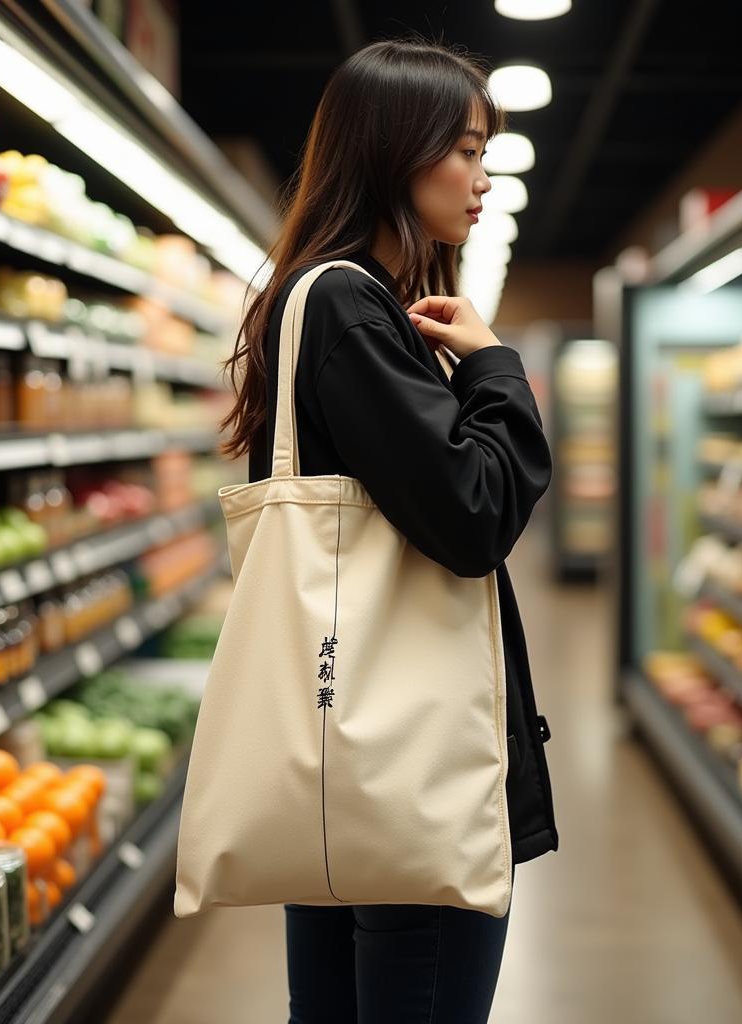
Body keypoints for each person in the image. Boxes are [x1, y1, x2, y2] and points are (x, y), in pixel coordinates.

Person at [220, 37, 558, 1024]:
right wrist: (496, 367)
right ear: (390, 150)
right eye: (463, 148)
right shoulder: (349, 307)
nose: (481, 175)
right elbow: (474, 513)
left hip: (344, 758)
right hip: (411, 776)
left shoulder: (321, 303)